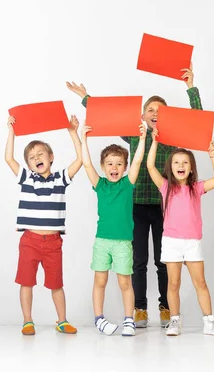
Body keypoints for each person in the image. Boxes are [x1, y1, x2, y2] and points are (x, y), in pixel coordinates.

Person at [67, 67, 202, 327]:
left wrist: (191, 88)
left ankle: (165, 307)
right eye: (150, 110)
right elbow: (110, 116)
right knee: (138, 261)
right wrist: (87, 99)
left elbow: (197, 120)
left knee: (164, 260)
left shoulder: (173, 137)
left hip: (166, 209)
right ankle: (140, 309)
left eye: (160, 111)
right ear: (142, 116)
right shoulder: (134, 134)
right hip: (136, 207)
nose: (155, 114)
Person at [5, 115, 82, 335]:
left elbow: (79, 160)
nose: (36, 158)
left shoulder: (60, 178)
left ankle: (62, 320)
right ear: (28, 164)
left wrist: (72, 132)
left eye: (40, 154)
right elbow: (9, 159)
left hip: (53, 242)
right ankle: (27, 320)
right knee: (26, 282)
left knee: (56, 284)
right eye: (31, 157)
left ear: (51, 157)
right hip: (29, 240)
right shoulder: (27, 179)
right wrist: (11, 131)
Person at [146, 130, 214, 336]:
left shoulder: (196, 188)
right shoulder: (165, 186)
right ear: (170, 168)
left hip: (192, 242)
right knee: (173, 283)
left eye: (185, 163)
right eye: (176, 163)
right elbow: (149, 166)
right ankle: (174, 320)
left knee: (200, 282)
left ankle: (209, 321)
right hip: (172, 241)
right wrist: (154, 143)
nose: (180, 166)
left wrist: (212, 155)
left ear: (191, 169)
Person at [80, 123, 146, 336]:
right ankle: (99, 319)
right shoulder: (100, 185)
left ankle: (129, 320)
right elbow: (87, 164)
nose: (114, 168)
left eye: (119, 164)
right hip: (102, 242)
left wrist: (143, 139)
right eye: (109, 164)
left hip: (123, 243)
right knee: (100, 281)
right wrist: (84, 139)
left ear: (124, 167)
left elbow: (137, 161)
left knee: (124, 282)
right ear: (103, 166)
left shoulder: (128, 184)